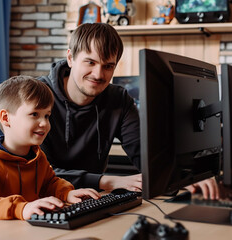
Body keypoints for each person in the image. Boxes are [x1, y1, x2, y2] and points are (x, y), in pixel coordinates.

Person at [38, 22, 219, 200]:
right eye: (90, 62)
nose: (98, 74)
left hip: (90, 199)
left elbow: (145, 153)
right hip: (40, 200)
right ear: (70, 58)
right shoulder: (37, 96)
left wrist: (183, 176)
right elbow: (37, 172)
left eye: (108, 66)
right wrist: (107, 181)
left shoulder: (118, 99)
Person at [0, 75, 100, 230]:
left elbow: (49, 183)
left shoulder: (37, 157)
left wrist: (66, 194)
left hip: (17, 232)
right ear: (6, 118)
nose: (44, 123)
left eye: (47, 115)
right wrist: (21, 208)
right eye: (34, 114)